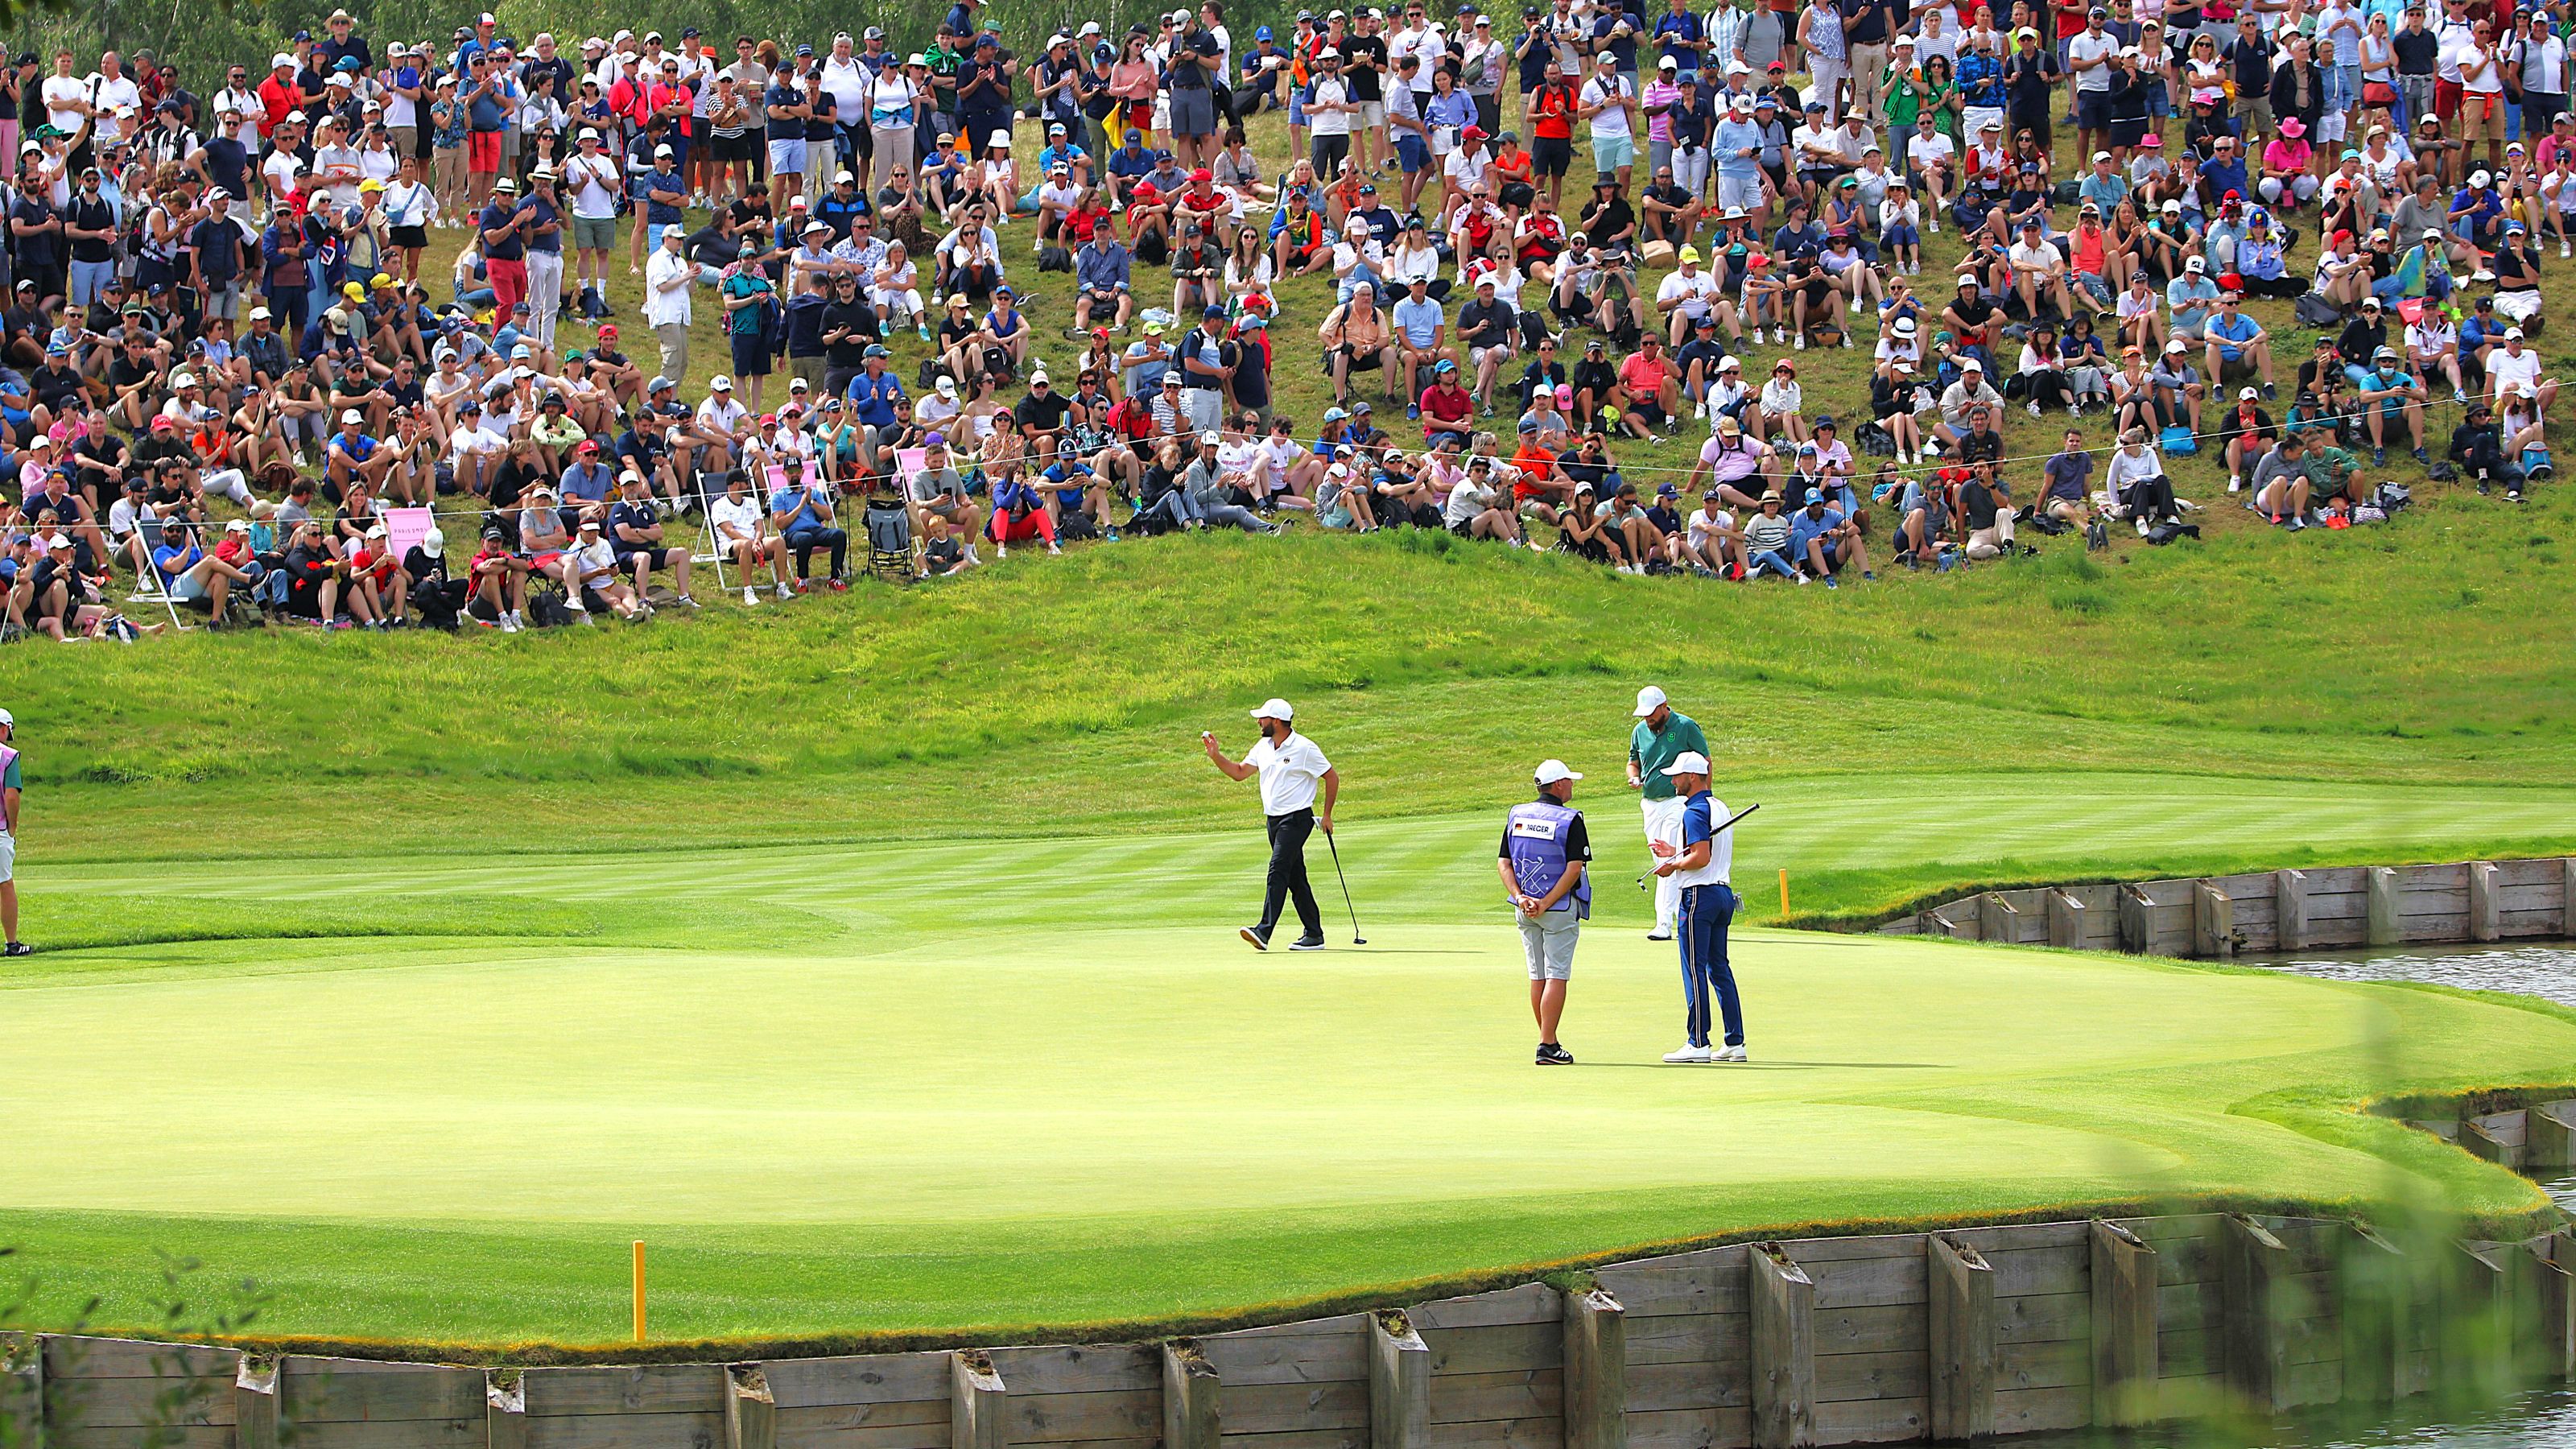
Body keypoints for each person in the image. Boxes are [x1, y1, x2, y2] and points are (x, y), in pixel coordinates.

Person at [1203, 696, 1339, 952]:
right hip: (1273, 821)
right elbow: (1240, 772)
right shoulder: (1263, 746)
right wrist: (1216, 757)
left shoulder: (1304, 748)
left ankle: (1263, 931)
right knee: (1295, 878)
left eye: (1263, 718)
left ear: (1276, 721)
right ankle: (1314, 934)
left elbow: (1331, 777)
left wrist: (1327, 814)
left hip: (1297, 819)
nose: (1259, 721)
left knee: (1277, 869)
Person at [1649, 750, 1743, 1063]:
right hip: (1722, 894)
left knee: (1694, 968)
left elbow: (1700, 857)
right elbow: (1705, 851)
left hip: (1699, 898)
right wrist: (1676, 853)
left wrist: (1671, 866)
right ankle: (1734, 1042)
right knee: (1719, 968)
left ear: (1692, 777)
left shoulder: (1694, 811)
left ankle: (1698, 1041)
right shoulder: (1719, 807)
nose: (1673, 781)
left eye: (1677, 776)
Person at [1498, 758, 1591, 1067]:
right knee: (1556, 976)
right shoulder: (1570, 819)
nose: (1572, 785)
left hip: (1525, 909)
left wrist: (1521, 897)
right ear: (1559, 784)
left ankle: (1547, 1041)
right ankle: (1547, 1044)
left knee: (1537, 977)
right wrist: (1547, 902)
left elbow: (1504, 863)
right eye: (1569, 780)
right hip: (1558, 909)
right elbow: (1574, 869)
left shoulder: (1517, 814)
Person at [1626, 683, 1707, 943]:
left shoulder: (1685, 726)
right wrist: (1633, 777)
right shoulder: (1640, 731)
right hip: (1650, 803)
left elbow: (1705, 762)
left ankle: (1663, 924)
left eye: (1652, 713)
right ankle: (1683, 915)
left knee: (1667, 862)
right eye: (1644, 715)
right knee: (1661, 861)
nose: (1648, 719)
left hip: (1677, 801)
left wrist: (1704, 798)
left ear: (1664, 706)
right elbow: (1632, 762)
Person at [0, 708, 24, 955]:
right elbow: (11, 796)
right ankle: (12, 944)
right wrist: (12, 826)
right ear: (5, 728)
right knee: (4, 885)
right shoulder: (7, 755)